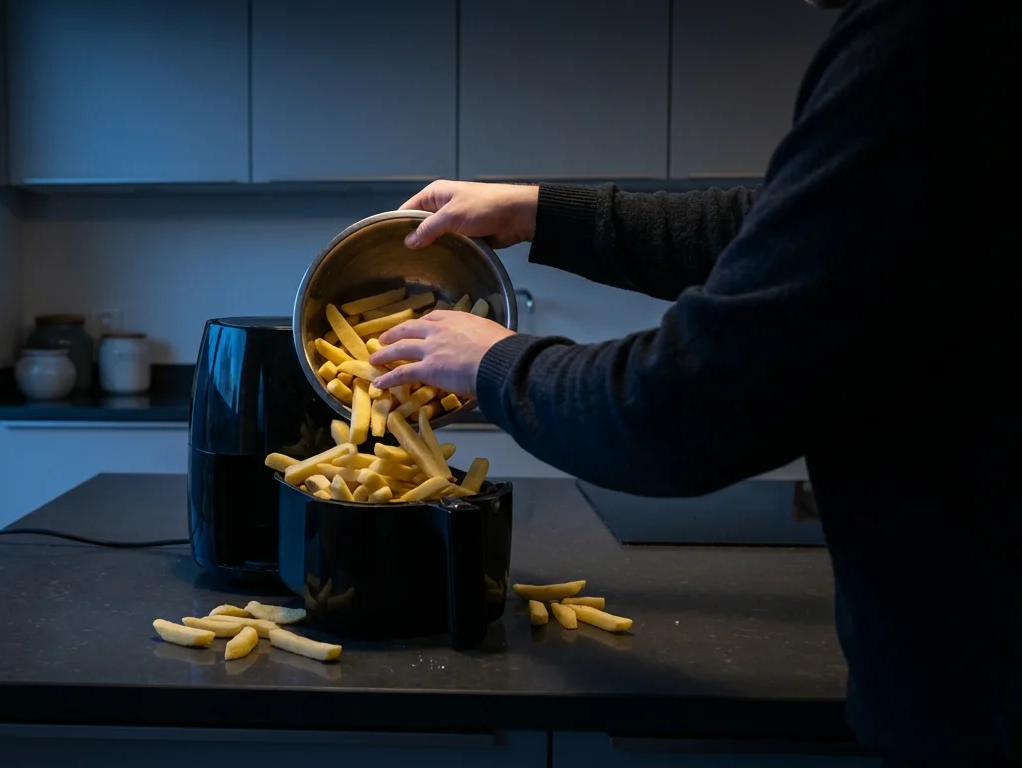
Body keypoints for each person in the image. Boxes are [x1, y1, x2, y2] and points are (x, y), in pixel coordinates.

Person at [370, 0, 1012, 764]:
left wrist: (493, 360)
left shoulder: (928, 32)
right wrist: (544, 213)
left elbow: (683, 405)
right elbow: (795, 229)